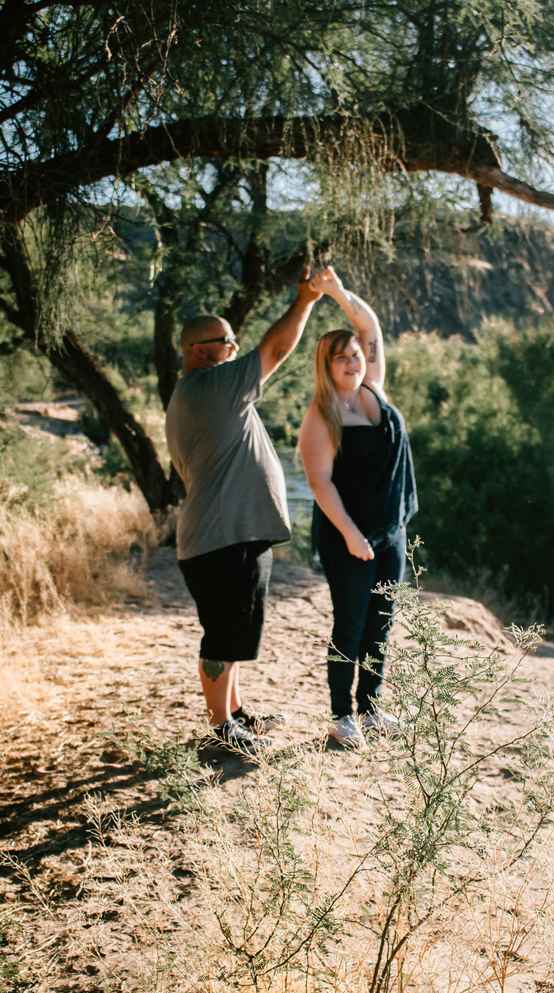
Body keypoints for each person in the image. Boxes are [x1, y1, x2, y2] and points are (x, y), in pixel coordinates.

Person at [165, 271, 321, 752]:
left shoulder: (208, 391)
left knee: (232, 632)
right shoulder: (210, 387)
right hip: (222, 539)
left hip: (230, 535)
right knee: (223, 634)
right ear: (199, 350)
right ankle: (220, 732)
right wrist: (305, 300)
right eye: (227, 342)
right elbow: (275, 350)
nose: (236, 348)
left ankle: (234, 714)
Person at [298, 266, 418, 748]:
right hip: (347, 534)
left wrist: (337, 291)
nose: (353, 362)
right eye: (342, 359)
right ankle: (340, 716)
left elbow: (370, 328)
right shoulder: (322, 415)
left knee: (381, 623)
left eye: (355, 356)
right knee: (349, 623)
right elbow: (319, 483)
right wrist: (351, 534)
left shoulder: (374, 392)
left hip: (390, 531)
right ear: (326, 366)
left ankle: (370, 710)